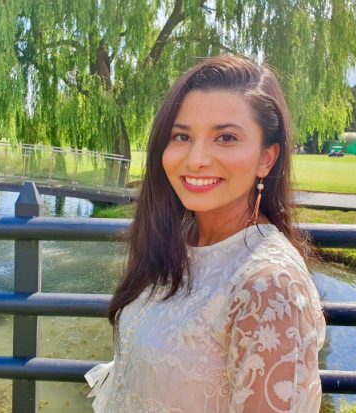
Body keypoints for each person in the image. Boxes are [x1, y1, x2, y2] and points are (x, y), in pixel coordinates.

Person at [85, 56, 326, 413]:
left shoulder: (269, 286)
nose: (196, 159)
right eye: (182, 136)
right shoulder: (177, 239)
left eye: (226, 137)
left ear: (267, 158)